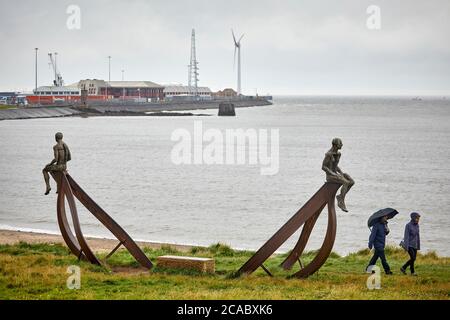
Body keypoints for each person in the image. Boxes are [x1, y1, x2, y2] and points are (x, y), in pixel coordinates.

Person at [322, 138, 355, 212]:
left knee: (351, 181)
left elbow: (335, 166)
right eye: (340, 144)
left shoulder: (338, 154)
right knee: (346, 182)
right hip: (330, 176)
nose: (342, 145)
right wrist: (332, 173)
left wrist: (341, 173)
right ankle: (341, 202)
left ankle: (340, 196)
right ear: (335, 145)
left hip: (336, 174)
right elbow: (323, 167)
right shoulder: (329, 154)